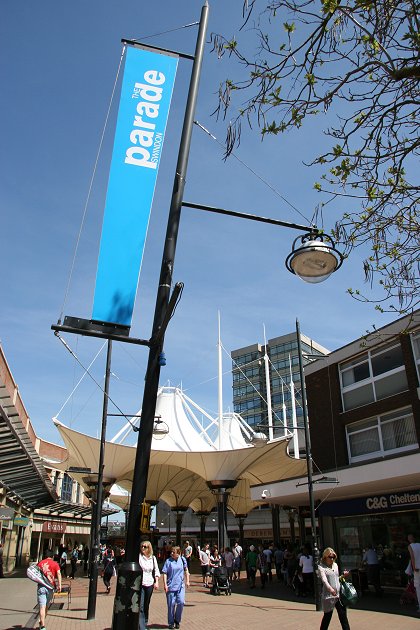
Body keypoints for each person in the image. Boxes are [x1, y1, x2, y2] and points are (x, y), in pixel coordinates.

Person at [318, 547, 350, 630]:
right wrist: (330, 589)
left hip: (338, 595)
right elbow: (324, 581)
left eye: (333, 557)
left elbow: (337, 578)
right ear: (325, 557)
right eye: (330, 557)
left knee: (343, 616)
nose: (332, 559)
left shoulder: (335, 565)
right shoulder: (321, 567)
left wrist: (344, 576)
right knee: (327, 617)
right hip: (329, 596)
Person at [162, 545, 189, 630]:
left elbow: (186, 570)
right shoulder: (168, 561)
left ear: (178, 553)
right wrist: (165, 584)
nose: (172, 553)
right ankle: (171, 622)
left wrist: (187, 580)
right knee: (171, 605)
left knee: (181, 602)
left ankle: (177, 620)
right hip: (171, 586)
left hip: (180, 585)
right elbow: (164, 573)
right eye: (171, 552)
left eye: (174, 552)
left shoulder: (182, 559)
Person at [36, 550, 61, 630]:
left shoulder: (40, 563)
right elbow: (59, 574)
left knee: (42, 606)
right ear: (52, 556)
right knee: (46, 605)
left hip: (41, 586)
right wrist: (59, 585)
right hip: (50, 587)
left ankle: (42, 624)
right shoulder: (55, 564)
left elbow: (36, 574)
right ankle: (42, 622)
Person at [139, 540, 160, 627]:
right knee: (141, 605)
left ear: (149, 548)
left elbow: (156, 570)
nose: (143, 548)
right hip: (141, 583)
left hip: (150, 583)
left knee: (146, 604)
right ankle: (142, 626)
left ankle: (145, 621)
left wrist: (157, 582)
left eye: (145, 546)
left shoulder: (153, 558)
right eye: (142, 546)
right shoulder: (139, 557)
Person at [408, 533, 420, 613]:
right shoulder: (419, 544)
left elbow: (412, 556)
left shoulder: (410, 546)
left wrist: (414, 567)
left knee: (418, 587)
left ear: (409, 539)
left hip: (417, 569)